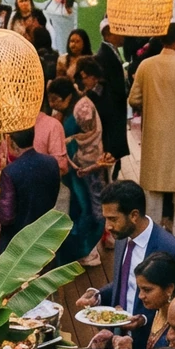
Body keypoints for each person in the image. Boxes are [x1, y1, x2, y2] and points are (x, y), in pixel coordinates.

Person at [128, 21, 175, 238]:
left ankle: (152, 243)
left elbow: (133, 98)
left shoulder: (145, 66)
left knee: (152, 198)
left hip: (153, 138)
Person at [82, 180, 175, 317]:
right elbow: (126, 283)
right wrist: (98, 296)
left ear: (134, 216)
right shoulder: (122, 236)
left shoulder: (173, 250)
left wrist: (144, 321)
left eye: (113, 219)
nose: (107, 226)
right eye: (106, 219)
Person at [47, 75, 105, 258]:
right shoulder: (65, 110)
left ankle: (84, 249)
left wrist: (69, 141)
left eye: (55, 99)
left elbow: (92, 136)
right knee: (77, 207)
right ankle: (75, 248)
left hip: (87, 167)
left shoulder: (83, 108)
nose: (52, 103)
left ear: (68, 97)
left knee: (88, 207)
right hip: (73, 168)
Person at [0, 127, 61, 251]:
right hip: (46, 233)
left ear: (13, 143)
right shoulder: (51, 162)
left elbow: (6, 217)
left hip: (19, 239)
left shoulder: (10, 172)